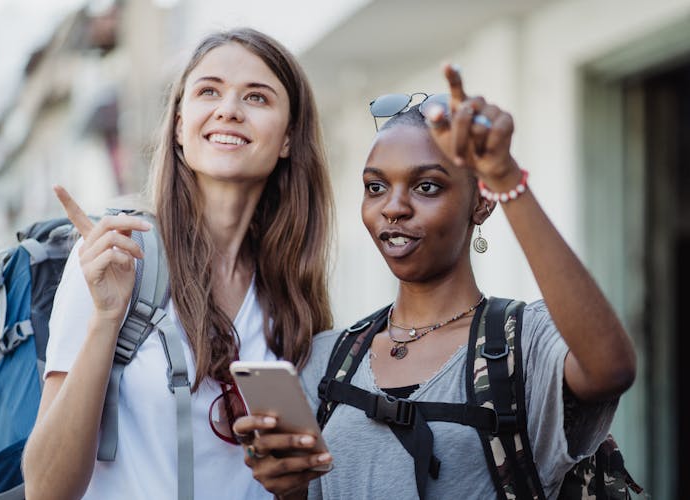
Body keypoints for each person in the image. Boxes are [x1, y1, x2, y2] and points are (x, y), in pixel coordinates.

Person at [233, 66, 637, 499]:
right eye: (375, 187)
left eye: (426, 186)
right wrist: (288, 489)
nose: (393, 208)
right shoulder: (326, 361)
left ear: (481, 203)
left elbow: (610, 368)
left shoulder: (525, 345)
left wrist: (504, 177)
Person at [21, 27, 334, 499]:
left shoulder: (291, 290)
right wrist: (107, 317)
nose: (229, 109)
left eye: (257, 97)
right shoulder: (120, 252)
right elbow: (45, 490)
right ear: (180, 126)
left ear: (288, 138)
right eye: (209, 91)